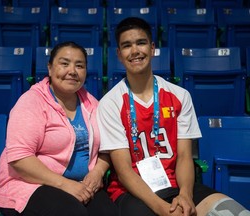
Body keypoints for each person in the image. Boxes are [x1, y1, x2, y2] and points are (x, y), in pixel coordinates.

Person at [97, 17, 250, 216]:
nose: (135, 51)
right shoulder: (110, 103)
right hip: (132, 192)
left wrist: (186, 195)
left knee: (235, 212)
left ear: (152, 48)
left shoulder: (180, 96)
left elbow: (185, 156)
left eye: (141, 43)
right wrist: (163, 209)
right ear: (119, 54)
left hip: (178, 185)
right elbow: (124, 171)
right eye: (127, 46)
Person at [0, 41, 118, 216]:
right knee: (73, 213)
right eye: (64, 64)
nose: (72, 71)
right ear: (50, 68)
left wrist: (98, 172)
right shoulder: (31, 102)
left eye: (79, 65)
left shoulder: (92, 104)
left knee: (109, 213)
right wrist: (65, 184)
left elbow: (107, 148)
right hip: (30, 184)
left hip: (80, 184)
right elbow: (20, 159)